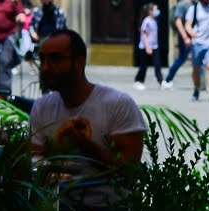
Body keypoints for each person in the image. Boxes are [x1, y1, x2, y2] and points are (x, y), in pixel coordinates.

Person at [29, 29, 146, 181]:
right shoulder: (41, 107)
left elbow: (130, 172)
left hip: (106, 204)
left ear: (79, 63)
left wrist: (87, 148)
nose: (45, 67)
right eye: (42, 59)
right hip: (56, 203)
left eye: (55, 59)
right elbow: (33, 161)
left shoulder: (119, 105)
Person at [163, 0, 195, 88]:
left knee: (198, 58)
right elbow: (178, 21)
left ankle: (200, 82)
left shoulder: (196, 3)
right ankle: (168, 79)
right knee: (182, 58)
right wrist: (185, 36)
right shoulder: (182, 4)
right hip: (186, 36)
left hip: (196, 35)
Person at [132, 3, 161, 90]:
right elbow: (144, 35)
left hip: (154, 46)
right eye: (155, 10)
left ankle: (161, 80)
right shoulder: (146, 21)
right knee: (143, 65)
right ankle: (138, 80)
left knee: (157, 64)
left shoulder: (154, 21)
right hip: (146, 46)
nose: (157, 12)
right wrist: (147, 47)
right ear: (150, 11)